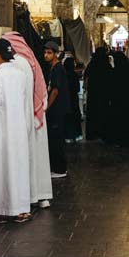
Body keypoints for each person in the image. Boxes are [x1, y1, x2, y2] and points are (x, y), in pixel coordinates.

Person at [3, 31, 53, 209]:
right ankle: (41, 196)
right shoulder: (30, 62)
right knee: (38, 158)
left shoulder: (15, 64)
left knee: (25, 157)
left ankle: (27, 197)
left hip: (22, 116)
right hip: (35, 116)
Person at [0, 38, 32, 222]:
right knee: (18, 167)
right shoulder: (20, 74)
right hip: (18, 128)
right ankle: (20, 210)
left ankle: (1, 211)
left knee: (1, 167)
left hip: (2, 129)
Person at [43, 40, 69, 178]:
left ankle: (60, 169)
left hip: (57, 109)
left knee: (56, 139)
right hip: (56, 109)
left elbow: (55, 91)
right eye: (45, 52)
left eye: (49, 53)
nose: (46, 55)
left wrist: (47, 106)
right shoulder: (53, 68)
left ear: (55, 54)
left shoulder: (58, 69)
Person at [84, 47, 113, 143]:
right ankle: (103, 133)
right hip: (104, 94)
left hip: (93, 94)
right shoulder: (106, 64)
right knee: (103, 113)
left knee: (93, 113)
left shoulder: (92, 64)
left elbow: (86, 77)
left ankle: (93, 134)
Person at [109, 49, 129, 148]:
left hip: (117, 101)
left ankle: (119, 139)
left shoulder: (114, 72)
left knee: (118, 120)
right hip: (128, 99)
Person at [63, 51, 83, 142]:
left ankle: (69, 136)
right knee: (75, 116)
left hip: (66, 99)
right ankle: (78, 134)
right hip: (74, 98)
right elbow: (78, 89)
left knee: (68, 117)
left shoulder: (64, 75)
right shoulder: (74, 75)